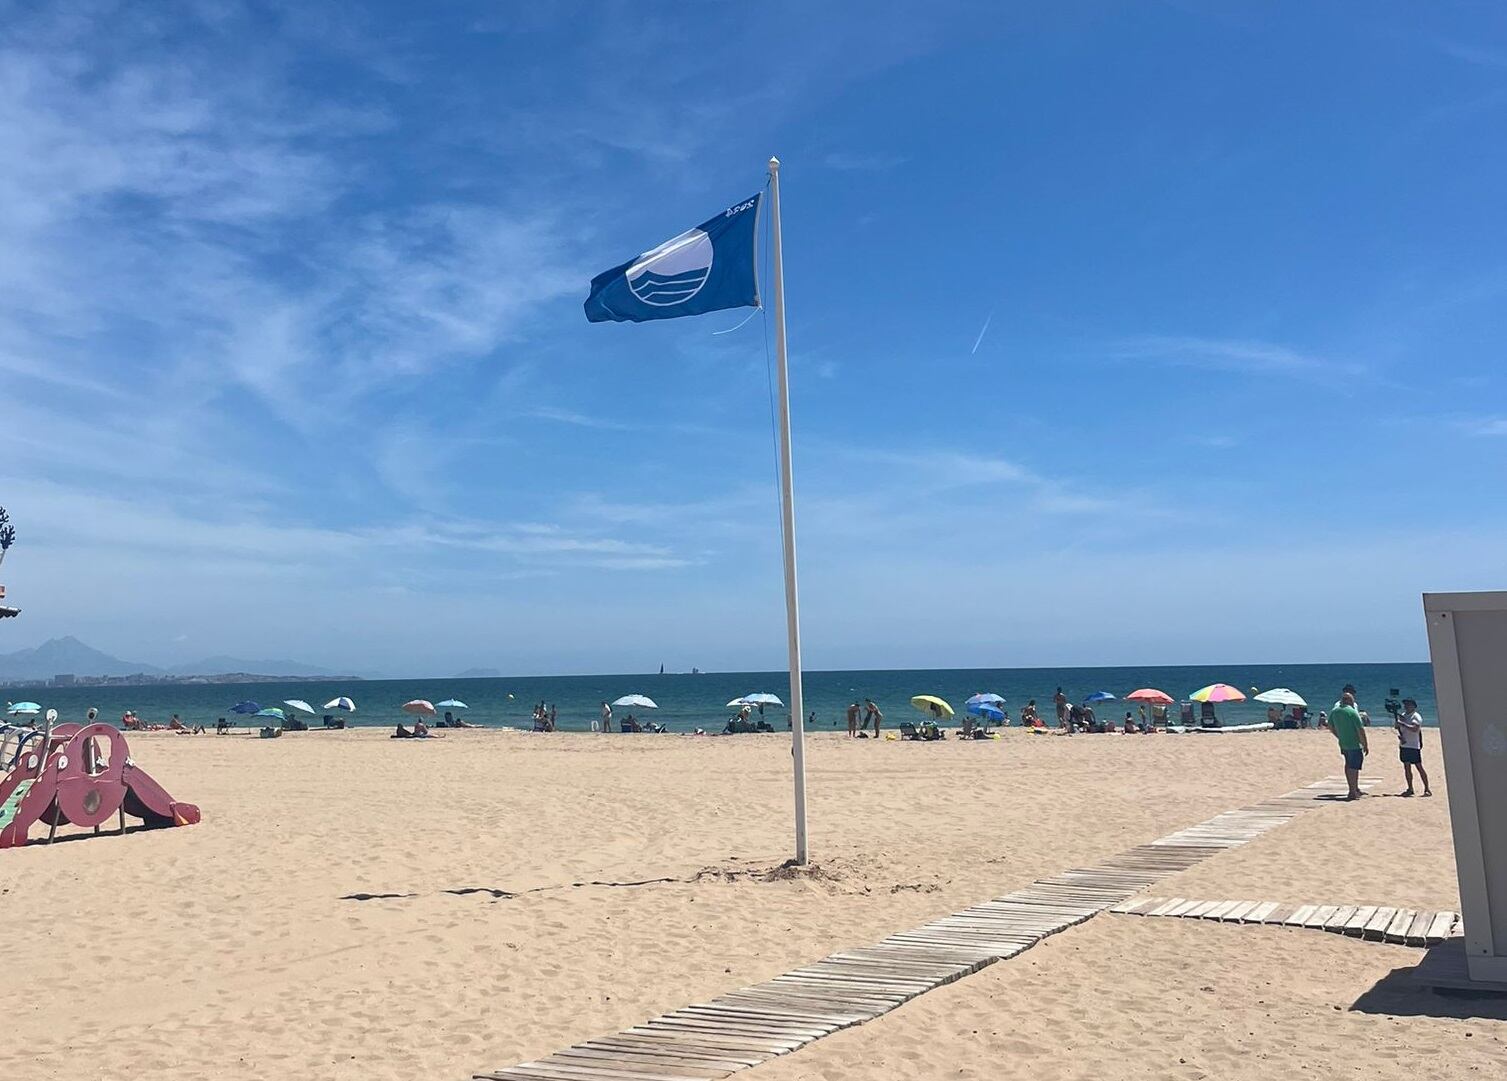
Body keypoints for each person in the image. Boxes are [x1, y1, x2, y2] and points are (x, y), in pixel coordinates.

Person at [1328, 690, 1369, 800]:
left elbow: (1330, 725)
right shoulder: (1352, 712)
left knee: (1348, 765)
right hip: (1354, 744)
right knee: (1354, 768)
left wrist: (1339, 735)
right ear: (1350, 701)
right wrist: (1365, 744)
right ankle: (1352, 790)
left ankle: (1353, 788)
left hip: (1343, 743)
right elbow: (1360, 730)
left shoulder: (1335, 711)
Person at [1394, 697, 1432, 797]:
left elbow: (1415, 729)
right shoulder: (1403, 715)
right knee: (1406, 767)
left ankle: (1427, 788)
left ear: (1413, 706)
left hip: (1413, 746)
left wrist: (1403, 723)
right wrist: (1399, 728)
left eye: (1409, 704)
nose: (1406, 706)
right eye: (1405, 704)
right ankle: (1410, 788)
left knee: (1419, 766)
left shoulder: (1416, 716)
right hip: (1404, 745)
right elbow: (1398, 727)